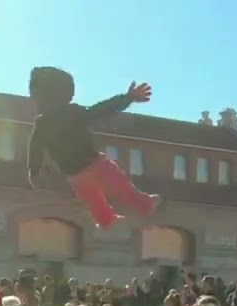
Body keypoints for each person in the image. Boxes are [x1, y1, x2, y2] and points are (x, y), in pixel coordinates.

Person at [27, 66, 161, 230]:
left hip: (74, 175)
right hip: (94, 164)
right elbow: (100, 110)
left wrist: (33, 173)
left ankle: (106, 219)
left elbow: (35, 149)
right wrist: (127, 98)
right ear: (66, 94)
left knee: (92, 197)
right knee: (119, 183)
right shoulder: (72, 112)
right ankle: (144, 204)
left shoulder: (42, 124)